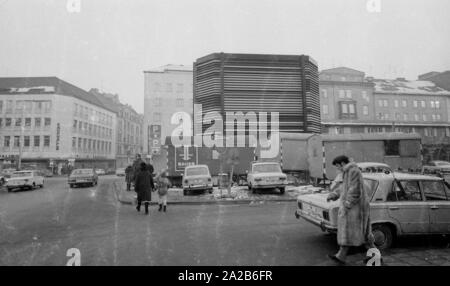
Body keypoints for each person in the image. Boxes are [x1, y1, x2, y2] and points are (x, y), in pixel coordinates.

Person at [326, 155, 377, 265]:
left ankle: (376, 258)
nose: (337, 168)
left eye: (337, 166)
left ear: (342, 164)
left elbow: (355, 190)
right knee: (349, 233)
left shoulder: (353, 171)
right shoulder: (347, 172)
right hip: (353, 209)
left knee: (364, 235)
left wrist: (347, 205)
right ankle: (341, 256)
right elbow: (344, 188)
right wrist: (334, 194)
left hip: (357, 209)